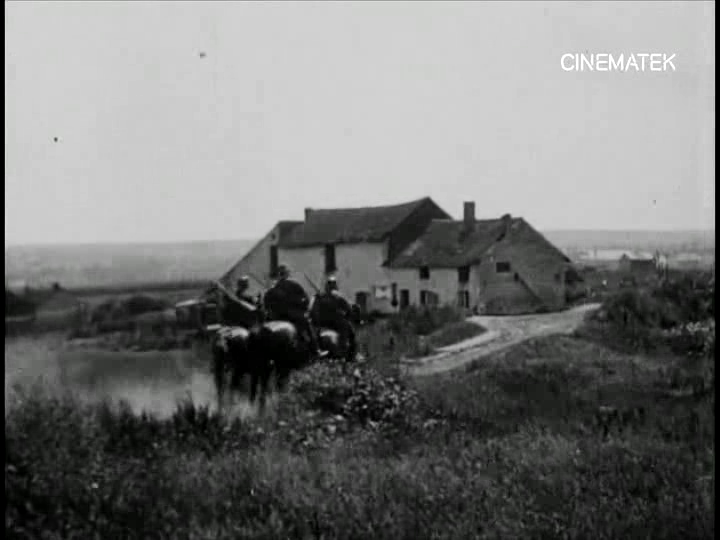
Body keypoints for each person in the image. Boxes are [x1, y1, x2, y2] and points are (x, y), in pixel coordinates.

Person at [264, 264, 327, 357]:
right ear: (287, 274)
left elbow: (266, 304)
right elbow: (305, 300)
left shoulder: (272, 289)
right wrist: (301, 305)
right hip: (292, 316)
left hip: (276, 317)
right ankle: (316, 350)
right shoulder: (293, 285)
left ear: (278, 274)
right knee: (307, 323)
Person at [310, 276, 357, 360]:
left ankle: (314, 350)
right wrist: (348, 315)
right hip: (335, 322)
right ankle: (348, 353)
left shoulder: (319, 296)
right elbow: (348, 309)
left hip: (322, 323)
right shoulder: (337, 296)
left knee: (312, 332)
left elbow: (312, 310)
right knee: (349, 331)